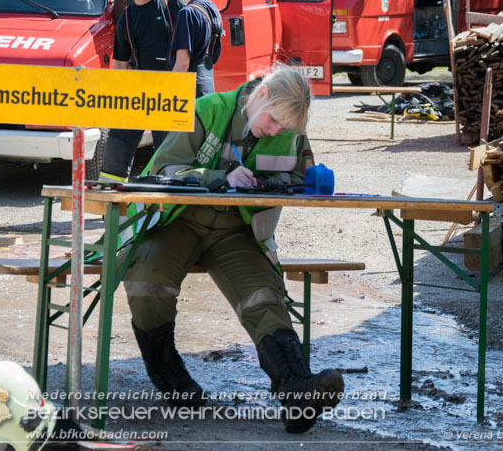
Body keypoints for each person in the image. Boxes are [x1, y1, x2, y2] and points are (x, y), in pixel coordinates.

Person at [120, 67, 344, 434]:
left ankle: (298, 391)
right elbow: (161, 171)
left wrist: (311, 183)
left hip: (235, 229)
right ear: (261, 95)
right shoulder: (207, 110)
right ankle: (170, 379)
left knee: (263, 298)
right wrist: (217, 178)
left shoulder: (289, 130)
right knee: (147, 286)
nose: (275, 132)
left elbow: (303, 178)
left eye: (283, 128)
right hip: (179, 220)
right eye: (273, 121)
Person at [99, 0, 184, 184]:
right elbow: (119, 62)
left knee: (167, 148)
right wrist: (117, 96)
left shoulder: (172, 5)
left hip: (169, 92)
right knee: (118, 142)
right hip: (137, 91)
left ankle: (166, 202)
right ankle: (111, 197)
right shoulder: (127, 16)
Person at [170, 0, 222, 97]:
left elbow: (182, 64)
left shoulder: (186, 14)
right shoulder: (213, 8)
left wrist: (167, 92)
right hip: (208, 87)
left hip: (189, 92)